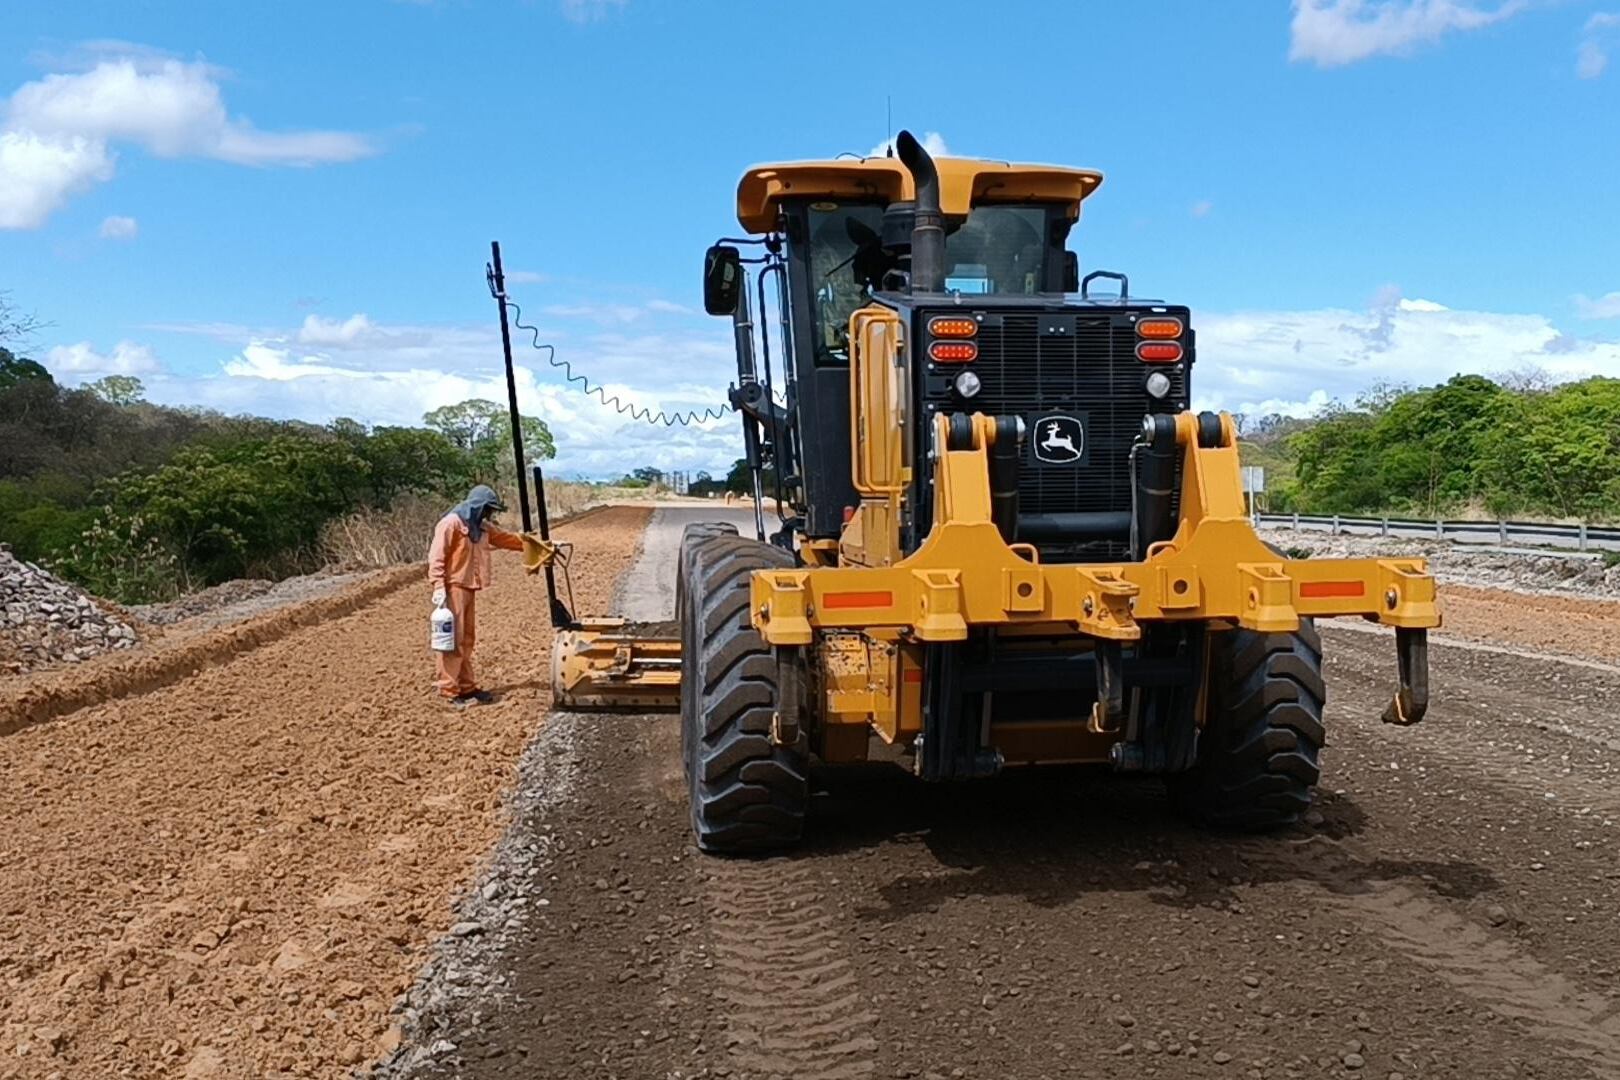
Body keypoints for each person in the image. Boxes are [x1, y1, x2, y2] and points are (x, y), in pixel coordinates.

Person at [427, 484, 525, 707]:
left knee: (467, 639)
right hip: (453, 588)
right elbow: (437, 557)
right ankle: (449, 690)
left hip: (469, 587)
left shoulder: (481, 527)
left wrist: (532, 544)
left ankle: (467, 686)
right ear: (477, 506)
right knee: (452, 642)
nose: (489, 514)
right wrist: (438, 587)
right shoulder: (451, 524)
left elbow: (506, 539)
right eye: (487, 509)